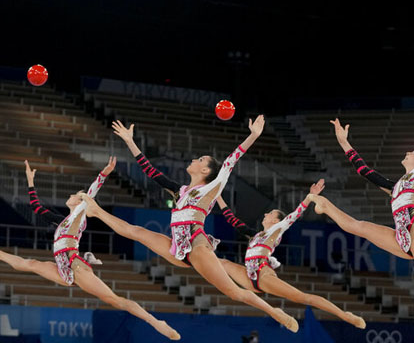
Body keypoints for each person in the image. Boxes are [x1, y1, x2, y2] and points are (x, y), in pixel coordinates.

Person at [81, 116, 298, 332]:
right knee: (136, 231)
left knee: (234, 292)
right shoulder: (180, 191)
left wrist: (253, 136)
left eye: (201, 159)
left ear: (205, 171)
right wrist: (130, 140)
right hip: (178, 246)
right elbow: (151, 171)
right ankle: (96, 210)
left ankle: (275, 312)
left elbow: (232, 159)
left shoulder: (212, 187)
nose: (195, 160)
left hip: (196, 244)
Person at [309, 84, 414, 343]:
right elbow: (366, 172)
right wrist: (345, 144)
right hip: (404, 236)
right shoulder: (397, 186)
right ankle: (324, 204)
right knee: (359, 226)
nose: (407, 152)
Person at [0, 159, 181, 340]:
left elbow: (91, 192)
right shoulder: (62, 220)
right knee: (30, 263)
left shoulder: (80, 214)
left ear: (80, 201)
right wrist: (30, 182)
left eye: (75, 195)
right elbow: (37, 208)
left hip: (74, 264)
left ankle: (156, 322)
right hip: (62, 267)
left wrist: (104, 172)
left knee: (114, 300)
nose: (70, 196)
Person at [216, 179, 366, 329]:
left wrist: (309, 197)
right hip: (249, 275)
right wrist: (218, 196)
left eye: (270, 213)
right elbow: (232, 220)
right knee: (221, 263)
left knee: (301, 297)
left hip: (263, 274)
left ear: (276, 220)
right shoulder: (255, 235)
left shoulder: (276, 230)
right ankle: (275, 312)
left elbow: (294, 215)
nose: (266, 213)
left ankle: (345, 315)